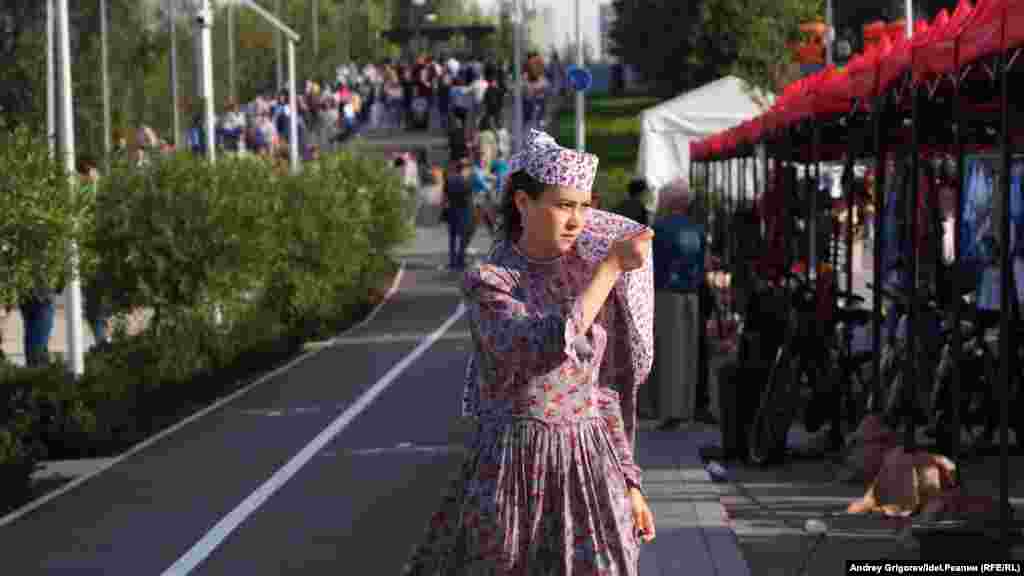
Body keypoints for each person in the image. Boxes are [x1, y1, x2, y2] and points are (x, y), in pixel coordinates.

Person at [403, 129, 657, 575]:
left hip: (589, 467)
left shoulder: (587, 274)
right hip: (514, 473)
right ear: (523, 202)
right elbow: (541, 346)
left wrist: (631, 483)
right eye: (563, 205)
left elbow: (603, 392)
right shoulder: (491, 282)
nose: (577, 221)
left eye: (583, 206)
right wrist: (610, 269)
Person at [442, 157, 473, 271]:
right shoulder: (466, 181)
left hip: (452, 210)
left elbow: (445, 197)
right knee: (463, 236)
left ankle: (452, 261)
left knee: (452, 237)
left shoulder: (449, 179)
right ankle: (461, 260)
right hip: (464, 210)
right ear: (463, 169)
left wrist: (444, 209)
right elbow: (469, 196)